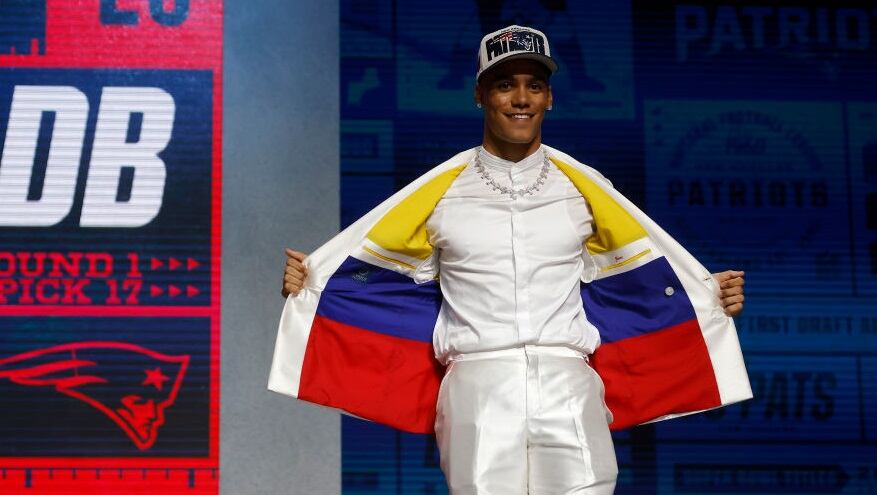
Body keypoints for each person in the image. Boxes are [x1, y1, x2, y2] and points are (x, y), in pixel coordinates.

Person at [273, 25, 749, 495]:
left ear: (549, 99)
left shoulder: (585, 188)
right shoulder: (440, 192)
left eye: (534, 86)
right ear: (480, 94)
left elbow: (643, 276)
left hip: (568, 381)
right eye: (505, 84)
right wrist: (312, 283)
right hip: (478, 382)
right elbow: (370, 278)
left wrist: (708, 294)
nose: (521, 98)